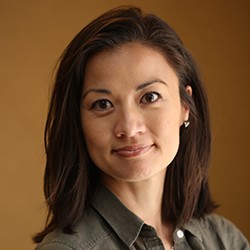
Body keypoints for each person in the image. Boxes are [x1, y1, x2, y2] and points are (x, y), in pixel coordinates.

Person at [33, 6, 249, 250]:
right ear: (78, 122)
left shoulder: (224, 240)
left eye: (150, 97)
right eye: (103, 104)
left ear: (185, 106)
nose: (129, 127)